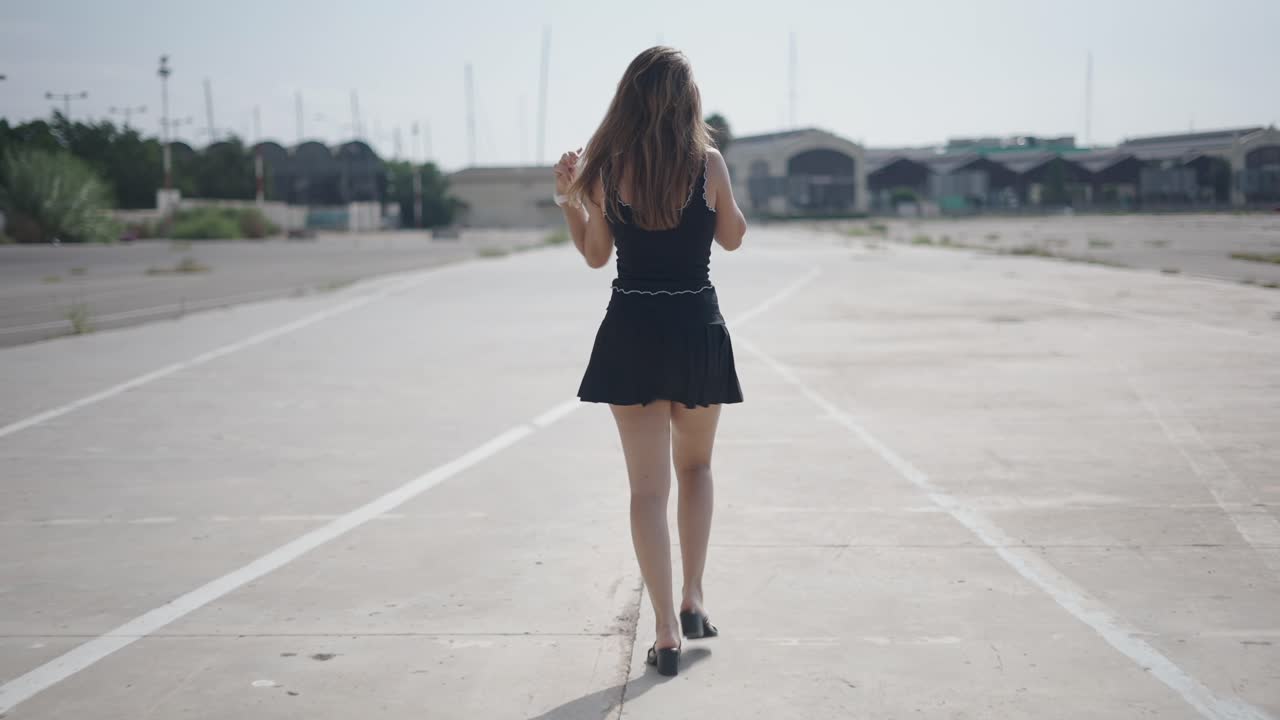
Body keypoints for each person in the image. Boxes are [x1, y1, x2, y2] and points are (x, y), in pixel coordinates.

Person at [553, 46, 748, 677]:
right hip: (694, 326)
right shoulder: (707, 163)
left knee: (645, 490)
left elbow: (594, 255)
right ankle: (693, 599)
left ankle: (664, 631)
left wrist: (571, 201)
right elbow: (733, 236)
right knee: (696, 467)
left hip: (632, 330)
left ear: (628, 98)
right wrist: (718, 190)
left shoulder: (608, 169)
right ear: (687, 101)